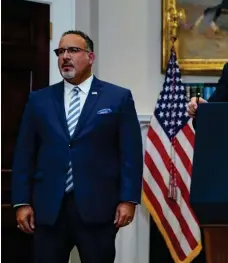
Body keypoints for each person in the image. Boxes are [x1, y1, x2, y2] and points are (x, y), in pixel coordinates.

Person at [12, 30, 143, 263]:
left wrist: (128, 199)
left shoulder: (117, 97)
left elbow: (130, 153)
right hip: (49, 208)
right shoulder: (39, 100)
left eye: (73, 50)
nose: (65, 56)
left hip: (99, 207)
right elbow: (24, 155)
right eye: (60, 51)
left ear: (90, 57)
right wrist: (22, 202)